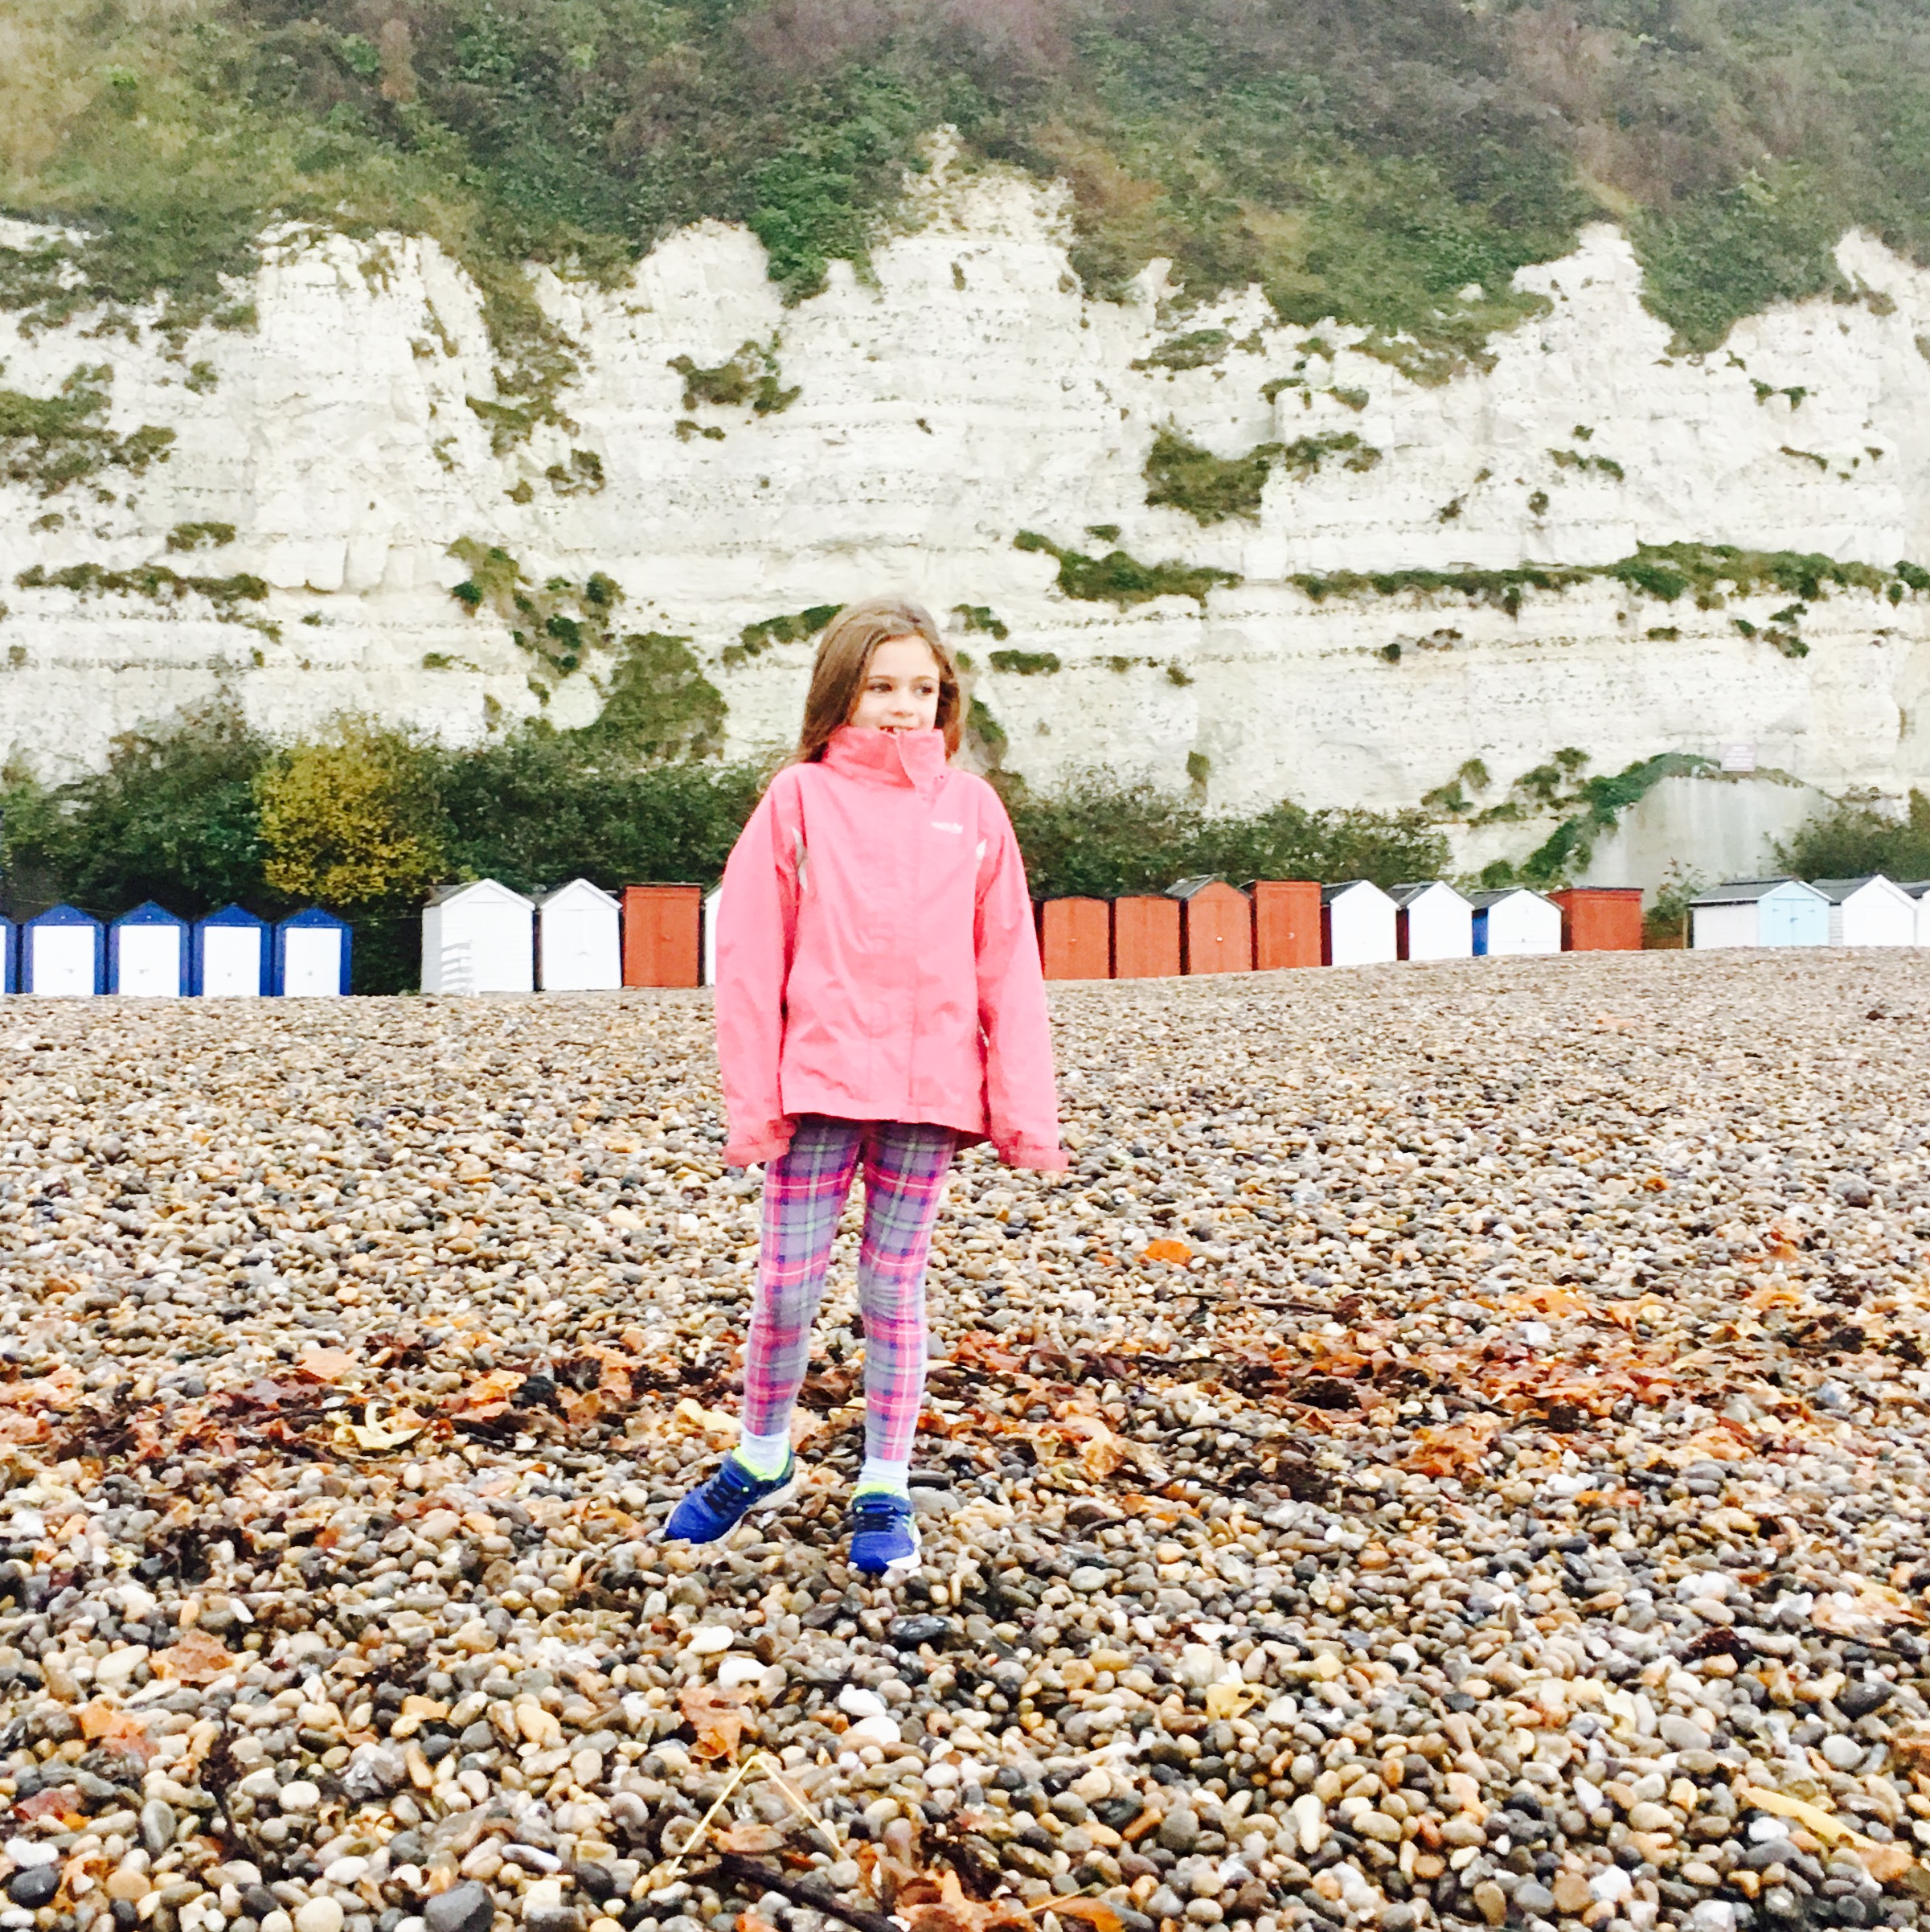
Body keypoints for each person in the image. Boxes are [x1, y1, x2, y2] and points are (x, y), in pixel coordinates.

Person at [666, 597, 1066, 1580]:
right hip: (818, 1082)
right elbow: (753, 960)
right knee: (787, 1286)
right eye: (881, 687)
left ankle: (884, 1481)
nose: (901, 707)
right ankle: (762, 1456)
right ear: (841, 691)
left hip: (932, 1092)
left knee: (893, 1288)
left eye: (921, 688)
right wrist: (752, 1103)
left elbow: (1008, 964)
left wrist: (1023, 1114)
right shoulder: (797, 798)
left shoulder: (972, 811)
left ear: (946, 698)